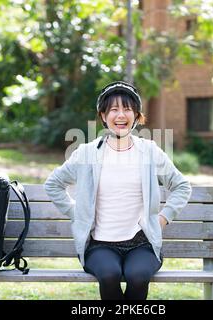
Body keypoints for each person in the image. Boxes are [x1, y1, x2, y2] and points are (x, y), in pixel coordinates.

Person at [44, 81, 192, 300]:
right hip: (100, 245)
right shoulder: (86, 153)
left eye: (127, 109)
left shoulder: (149, 151)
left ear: (136, 116)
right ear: (103, 116)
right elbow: (53, 184)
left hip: (142, 243)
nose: (120, 115)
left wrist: (163, 218)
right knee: (109, 274)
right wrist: (79, 214)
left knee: (138, 275)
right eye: (114, 109)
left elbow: (182, 186)